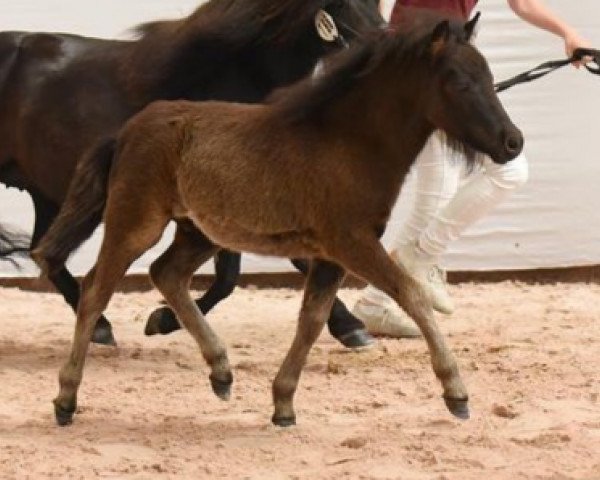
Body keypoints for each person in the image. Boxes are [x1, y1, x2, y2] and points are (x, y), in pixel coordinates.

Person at [352, 0, 591, 338]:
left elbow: (522, 3)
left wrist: (569, 33)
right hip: (421, 73)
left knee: (445, 197)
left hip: (452, 69)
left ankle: (382, 297)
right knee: (498, 174)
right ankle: (415, 266)